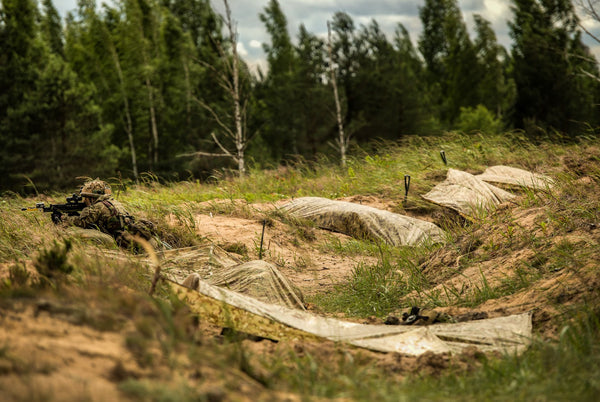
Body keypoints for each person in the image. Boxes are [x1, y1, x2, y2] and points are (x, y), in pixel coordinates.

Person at [62, 179, 160, 251]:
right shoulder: (114, 202)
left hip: (122, 241)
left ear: (92, 198)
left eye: (85, 198)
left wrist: (65, 218)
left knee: (74, 231)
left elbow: (81, 222)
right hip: (130, 235)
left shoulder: (98, 206)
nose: (84, 201)